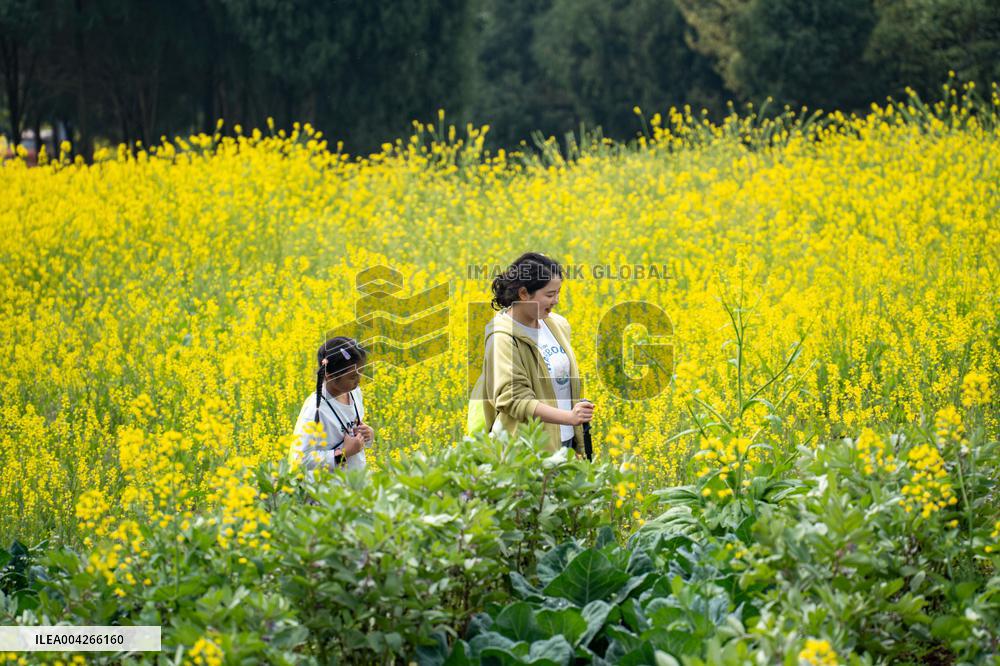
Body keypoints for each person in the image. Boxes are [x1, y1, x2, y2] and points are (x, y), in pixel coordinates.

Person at [480, 252, 595, 453]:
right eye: (550, 295)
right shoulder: (503, 338)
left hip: (565, 441)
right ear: (524, 294)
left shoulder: (557, 325)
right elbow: (514, 398)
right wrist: (569, 417)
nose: (556, 300)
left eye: (558, 293)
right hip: (526, 449)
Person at [290, 336, 375, 476]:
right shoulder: (315, 409)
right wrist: (343, 454)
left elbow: (351, 432)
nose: (359, 380)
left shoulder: (354, 392)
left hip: (356, 482)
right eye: (353, 377)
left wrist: (368, 434)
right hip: (329, 492)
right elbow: (300, 459)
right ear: (329, 376)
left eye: (361, 372)